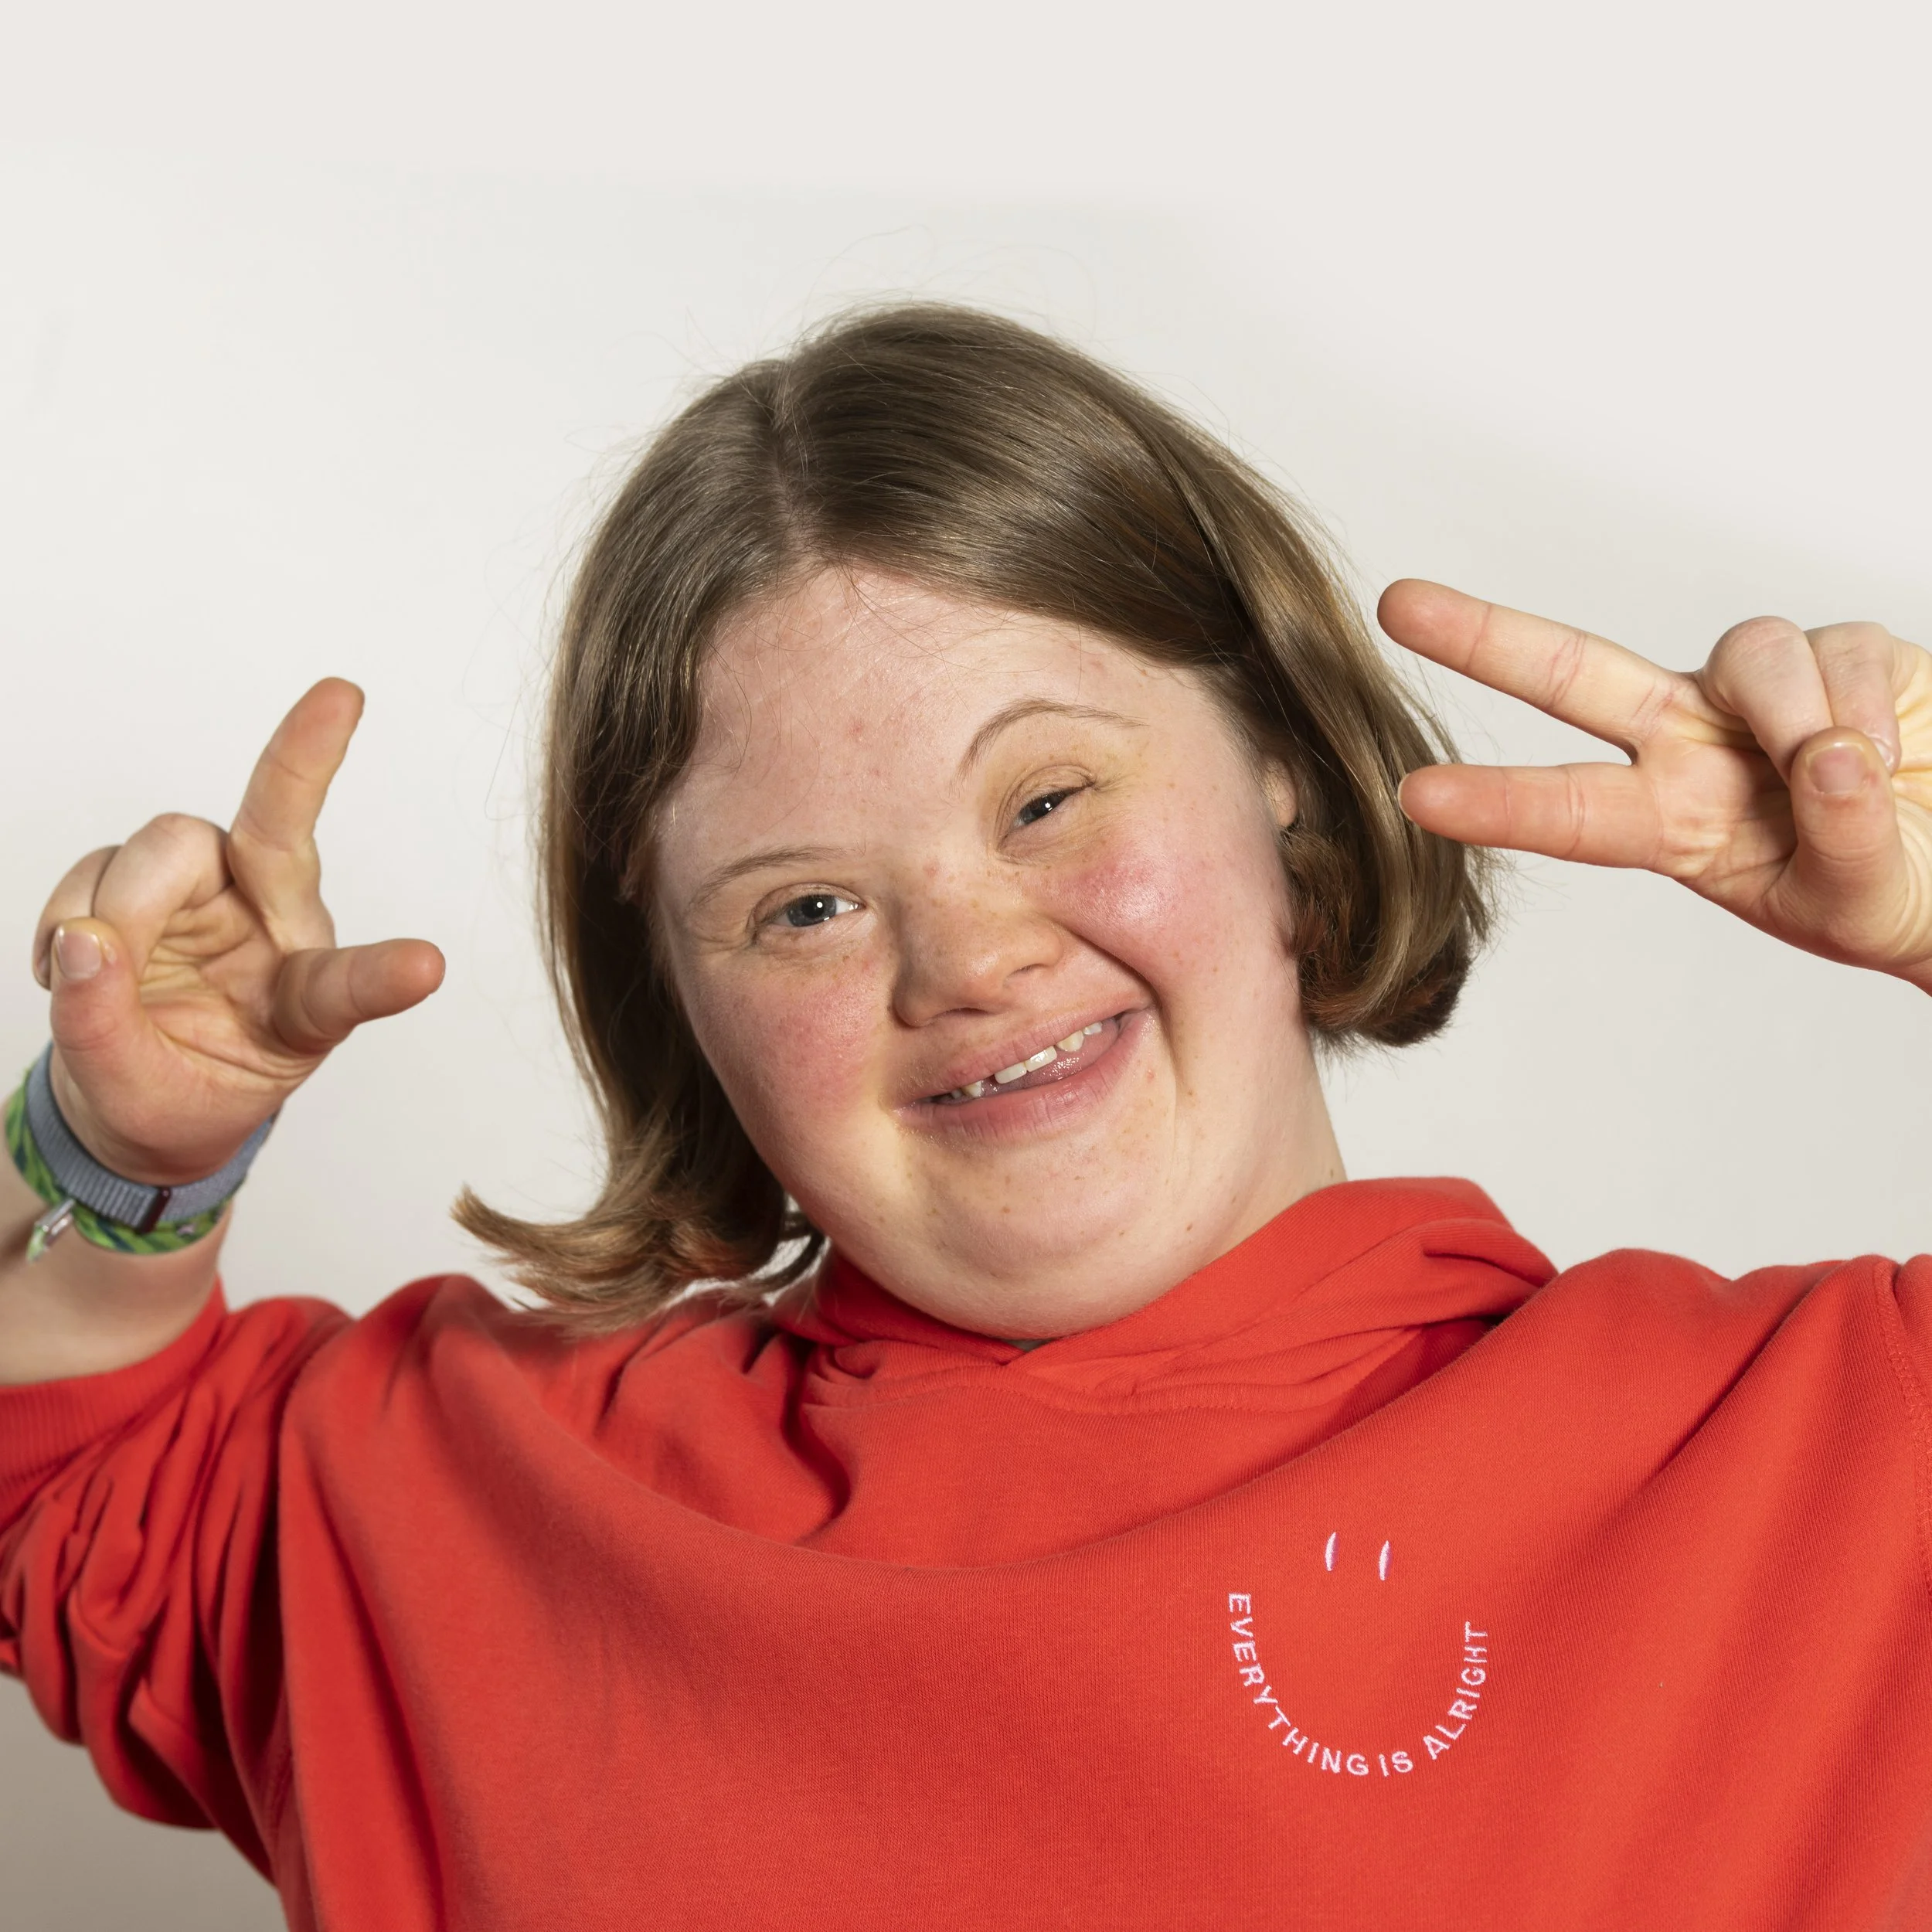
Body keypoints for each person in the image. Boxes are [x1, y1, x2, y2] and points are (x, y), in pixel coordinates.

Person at [2, 302, 1928, 1931]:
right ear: (679, 998)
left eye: (1046, 799)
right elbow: (56, 1466)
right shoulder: (458, 1514)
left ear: (1276, 766)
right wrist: (121, 1154)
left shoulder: (1830, 1456)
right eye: (803, 907)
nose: (969, 958)